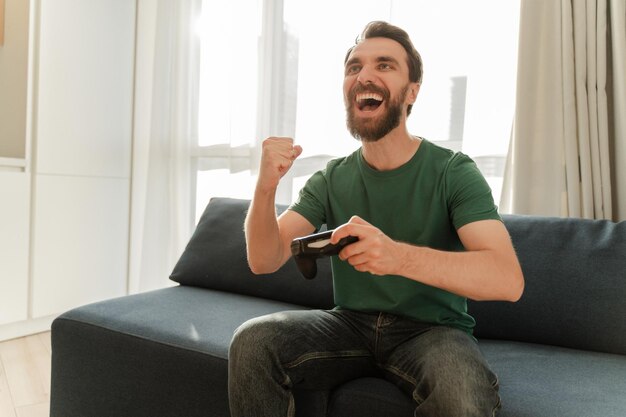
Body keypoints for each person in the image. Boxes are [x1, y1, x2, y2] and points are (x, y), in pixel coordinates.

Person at [229, 21, 524, 417]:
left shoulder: (453, 171)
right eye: (354, 67)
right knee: (253, 340)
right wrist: (265, 188)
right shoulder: (331, 178)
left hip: (432, 330)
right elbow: (263, 259)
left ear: (412, 91)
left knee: (459, 390)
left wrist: (398, 257)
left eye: (384, 65)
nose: (363, 75)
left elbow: (507, 279)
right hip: (349, 325)